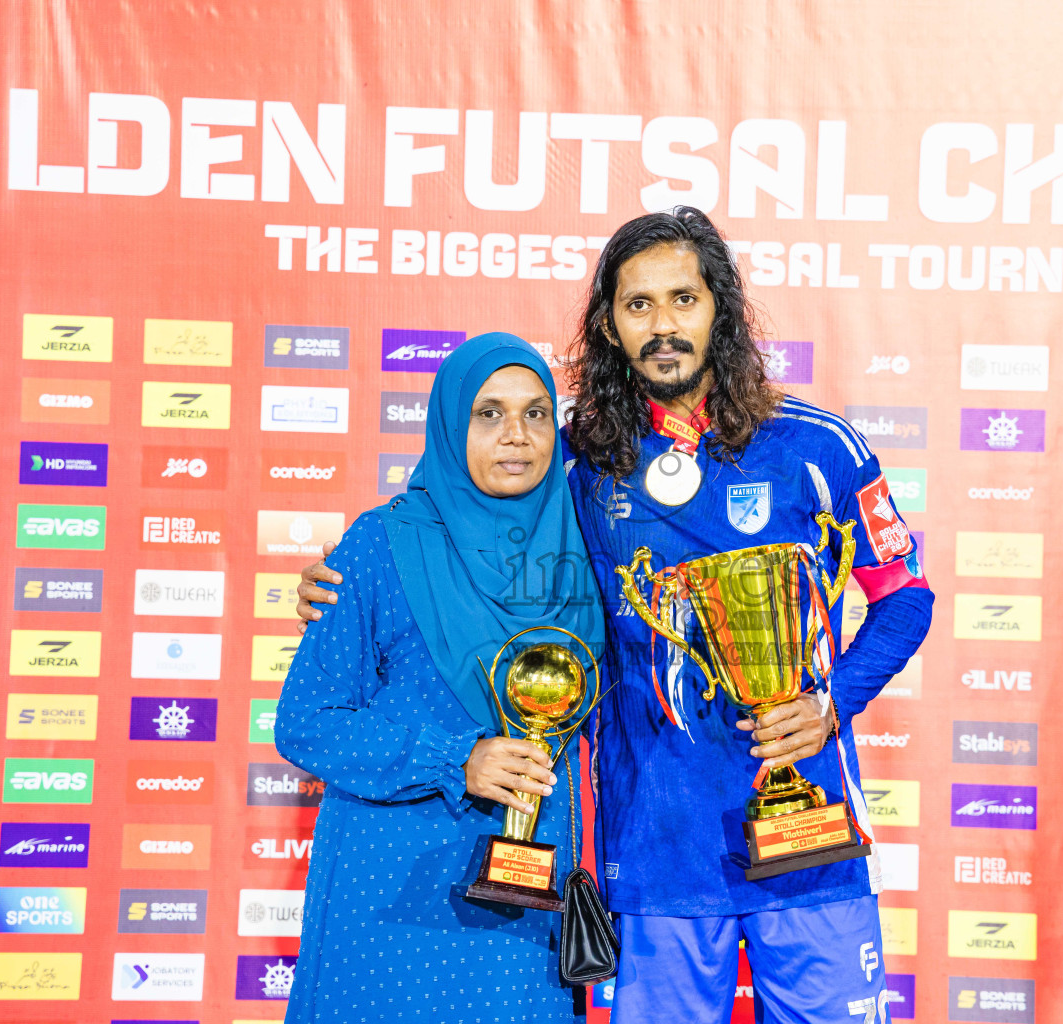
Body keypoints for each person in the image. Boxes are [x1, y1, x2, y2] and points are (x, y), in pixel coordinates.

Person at [299, 208, 934, 1024]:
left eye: (683, 299)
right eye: (638, 305)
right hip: (652, 848)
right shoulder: (575, 455)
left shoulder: (816, 448)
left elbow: (903, 596)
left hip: (808, 842)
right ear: (607, 322)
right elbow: (460, 511)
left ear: (722, 309)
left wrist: (829, 704)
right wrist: (341, 580)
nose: (663, 325)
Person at [275, 333, 606, 1024]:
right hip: (392, 890)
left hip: (525, 898)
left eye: (536, 413)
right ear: (450, 424)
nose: (515, 436)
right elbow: (308, 720)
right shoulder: (381, 543)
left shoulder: (590, 544)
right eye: (487, 414)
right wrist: (456, 758)